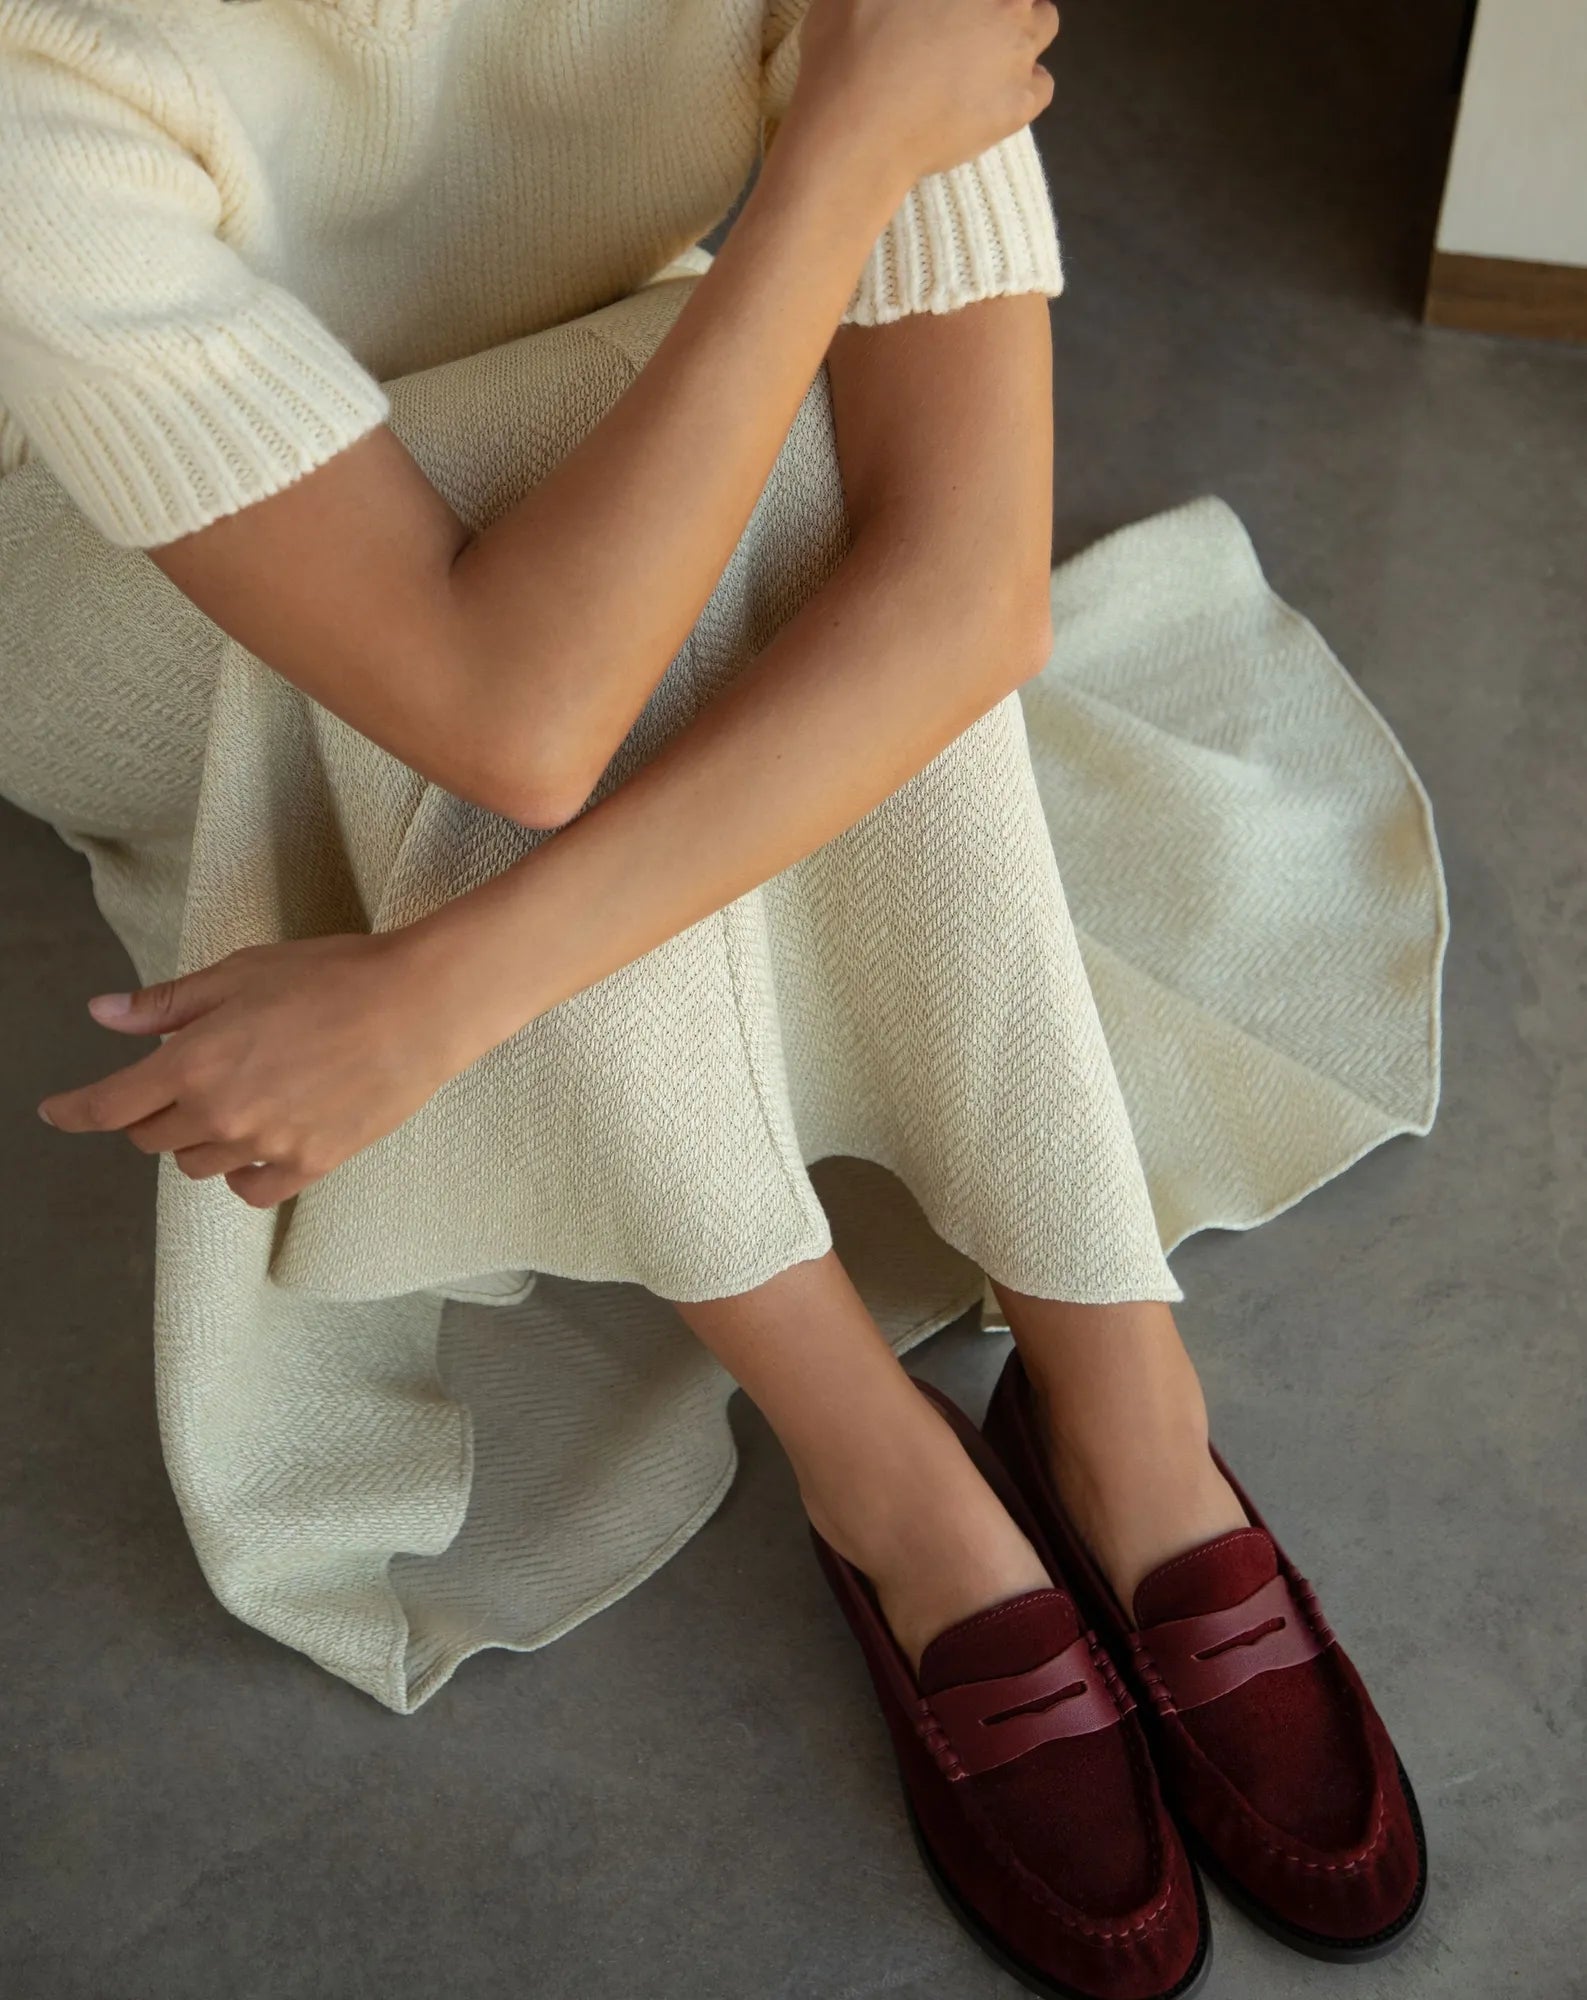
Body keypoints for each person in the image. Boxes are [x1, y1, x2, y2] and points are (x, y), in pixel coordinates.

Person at [1, 2, 1432, 1992]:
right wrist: (838, 163)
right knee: (618, 499)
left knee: (742, 462)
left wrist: (436, 998)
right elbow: (510, 718)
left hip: (579, 485)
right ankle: (880, 1465)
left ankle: (1112, 1385)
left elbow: (967, 586)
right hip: (150, 588)